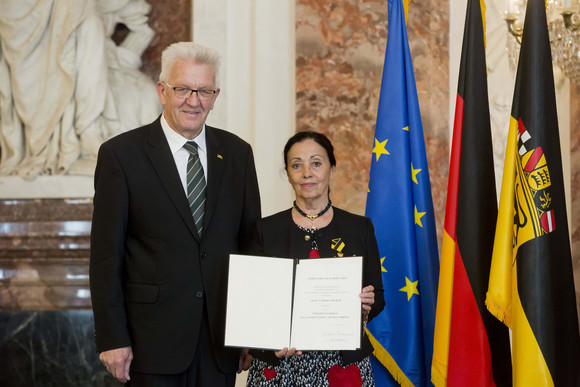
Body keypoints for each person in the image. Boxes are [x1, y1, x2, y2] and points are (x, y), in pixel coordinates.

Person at [89, 41, 261, 386]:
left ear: (215, 95)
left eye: (204, 91)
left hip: (221, 342)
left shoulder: (238, 154)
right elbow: (106, 257)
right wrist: (112, 337)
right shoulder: (121, 156)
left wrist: (251, 332)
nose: (193, 101)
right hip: (149, 342)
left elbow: (251, 248)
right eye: (183, 89)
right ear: (161, 90)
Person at [244, 131, 384, 386]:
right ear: (288, 173)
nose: (306, 172)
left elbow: (378, 299)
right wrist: (269, 342)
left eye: (316, 163)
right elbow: (253, 303)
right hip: (281, 364)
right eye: (296, 165)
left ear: (331, 169)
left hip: (342, 363)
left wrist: (364, 306)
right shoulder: (266, 230)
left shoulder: (359, 228)